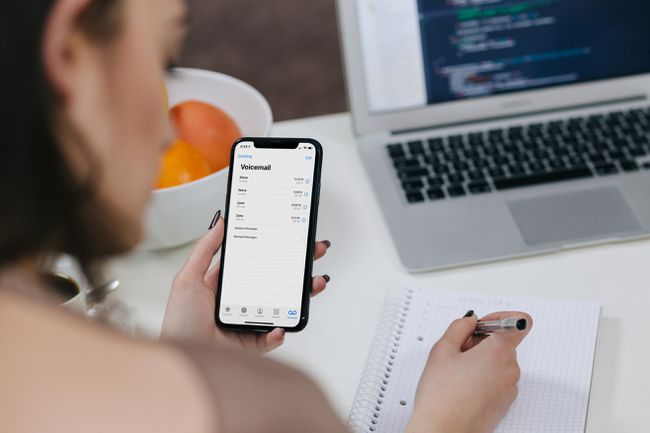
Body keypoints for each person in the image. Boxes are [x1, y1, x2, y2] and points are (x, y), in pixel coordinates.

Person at [0, 1, 532, 432]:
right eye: (162, 63)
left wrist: (183, 354)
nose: (169, 133)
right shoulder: (258, 411)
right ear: (71, 53)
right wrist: (449, 420)